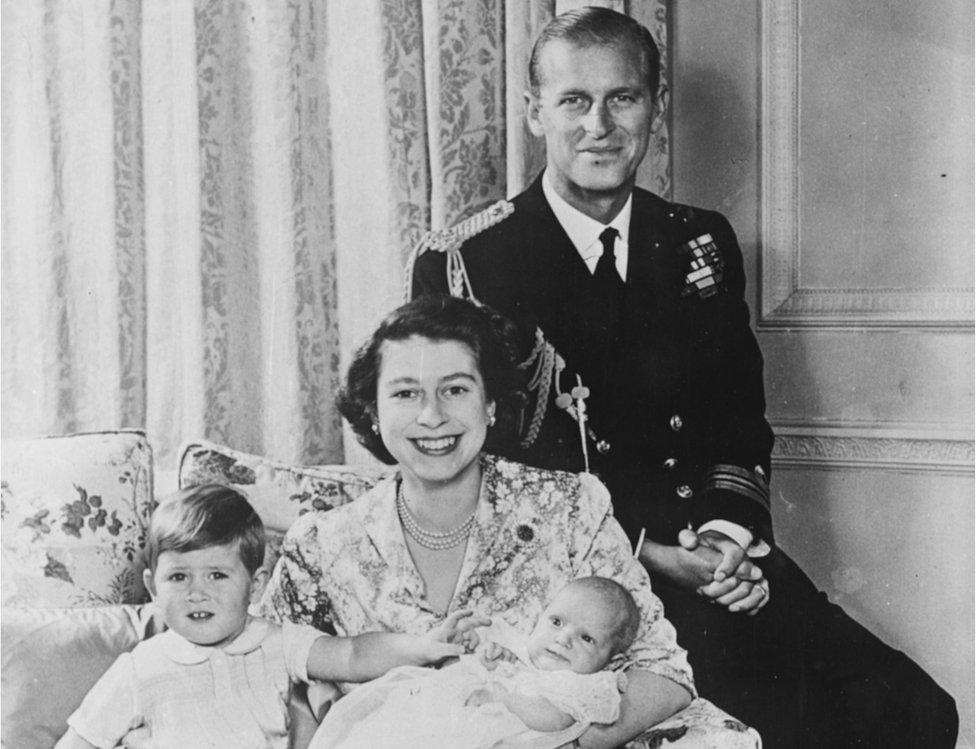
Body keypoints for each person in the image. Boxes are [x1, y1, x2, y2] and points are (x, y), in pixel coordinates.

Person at [408, 7, 958, 748]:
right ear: (535, 112)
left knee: (912, 710)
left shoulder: (698, 240)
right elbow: (480, 472)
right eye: (574, 100)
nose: (599, 125)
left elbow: (736, 412)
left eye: (623, 98)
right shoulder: (468, 263)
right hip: (575, 593)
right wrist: (650, 552)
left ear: (655, 110)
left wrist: (730, 538)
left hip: (712, 558)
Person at [260, 295, 759, 748]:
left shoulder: (569, 508)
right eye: (406, 394)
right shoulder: (323, 545)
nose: (432, 416)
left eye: (455, 389)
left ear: (492, 404)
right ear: (372, 411)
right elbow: (263, 671)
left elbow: (663, 672)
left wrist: (559, 746)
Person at [56, 484, 480, 749]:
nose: (196, 592)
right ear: (152, 587)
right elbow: (80, 741)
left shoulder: (279, 643)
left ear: (255, 586)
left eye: (217, 575)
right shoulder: (138, 669)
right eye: (178, 576)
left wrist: (422, 646)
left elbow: (352, 654)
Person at [311, 577, 648, 749]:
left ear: (612, 660)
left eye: (586, 638)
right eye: (557, 622)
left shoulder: (588, 686)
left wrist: (504, 697)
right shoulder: (525, 651)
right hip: (452, 718)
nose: (563, 639)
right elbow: (487, 662)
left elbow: (555, 718)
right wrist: (487, 658)